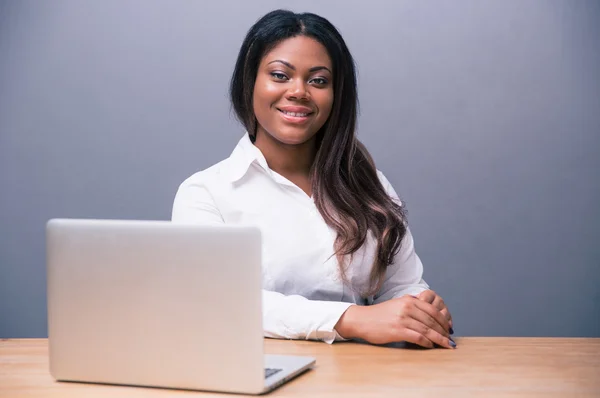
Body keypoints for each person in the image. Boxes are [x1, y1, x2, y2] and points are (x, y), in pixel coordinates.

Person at [172, 9, 455, 349]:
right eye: (279, 75)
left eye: (318, 80)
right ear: (249, 83)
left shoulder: (369, 184)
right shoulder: (206, 194)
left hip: (359, 377)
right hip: (253, 372)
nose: (299, 91)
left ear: (336, 95)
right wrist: (351, 319)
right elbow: (218, 301)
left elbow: (403, 285)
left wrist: (420, 306)